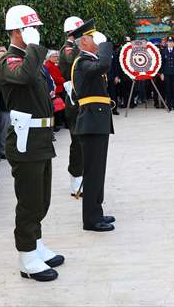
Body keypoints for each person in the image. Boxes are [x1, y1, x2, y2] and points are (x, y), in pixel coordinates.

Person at [0, 5, 63, 282]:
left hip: (40, 138)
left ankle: (36, 245)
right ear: (16, 32)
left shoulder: (29, 58)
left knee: (42, 199)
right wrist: (35, 48)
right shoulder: (8, 61)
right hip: (25, 141)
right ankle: (26, 257)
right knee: (29, 201)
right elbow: (23, 76)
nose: (35, 33)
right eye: (29, 29)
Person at [69, 20, 116, 232]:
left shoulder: (89, 60)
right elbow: (103, 65)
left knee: (99, 171)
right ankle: (90, 219)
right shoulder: (82, 62)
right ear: (85, 42)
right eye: (94, 39)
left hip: (97, 121)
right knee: (92, 172)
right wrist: (106, 45)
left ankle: (97, 212)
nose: (98, 43)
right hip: (91, 122)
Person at [58, 16, 85, 197]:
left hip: (83, 97)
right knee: (77, 142)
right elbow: (71, 61)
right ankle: (76, 178)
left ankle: (82, 177)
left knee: (84, 141)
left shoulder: (77, 47)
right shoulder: (68, 49)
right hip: (73, 100)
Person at [160, 36, 174, 111]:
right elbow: (162, 64)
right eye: (169, 42)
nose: (170, 43)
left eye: (171, 42)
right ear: (167, 43)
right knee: (168, 89)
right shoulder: (163, 51)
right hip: (166, 73)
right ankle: (169, 105)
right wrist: (162, 73)